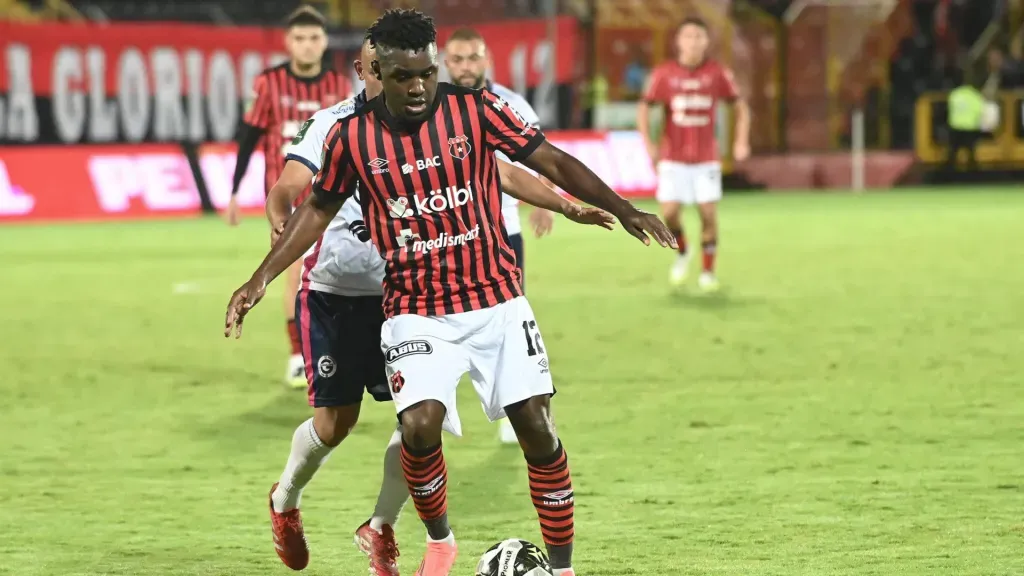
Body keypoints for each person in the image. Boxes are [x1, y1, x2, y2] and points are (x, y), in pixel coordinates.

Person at [226, 9, 675, 576]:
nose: (417, 88)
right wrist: (261, 276)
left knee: (537, 426)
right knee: (417, 425)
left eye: (426, 74)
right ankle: (439, 540)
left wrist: (621, 207)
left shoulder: (478, 110)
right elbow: (315, 207)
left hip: (496, 298)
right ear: (377, 71)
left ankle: (562, 569)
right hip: (416, 309)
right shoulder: (348, 135)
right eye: (402, 77)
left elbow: (547, 159)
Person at [225, 5, 353, 389]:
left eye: (314, 38)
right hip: (288, 196)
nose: (308, 46)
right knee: (294, 273)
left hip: (335, 195)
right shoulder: (269, 84)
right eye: (300, 39)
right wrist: (234, 191)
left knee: (340, 270)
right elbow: (249, 137)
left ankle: (337, 349)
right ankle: (298, 355)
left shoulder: (338, 85)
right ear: (288, 43)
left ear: (324, 41)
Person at [443, 26, 554, 445]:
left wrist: (542, 202)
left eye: (473, 58)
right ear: (445, 63)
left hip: (502, 233)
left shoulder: (512, 103)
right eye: (458, 59)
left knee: (506, 325)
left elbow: (536, 156)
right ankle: (434, 402)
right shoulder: (432, 106)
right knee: (445, 321)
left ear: (486, 59)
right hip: (448, 236)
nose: (466, 66)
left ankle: (514, 411)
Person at [637, 16, 750, 292]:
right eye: (688, 37)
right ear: (678, 42)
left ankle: (708, 273)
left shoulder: (717, 73)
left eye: (699, 37)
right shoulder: (664, 74)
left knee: (708, 214)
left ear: (707, 42)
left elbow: (740, 106)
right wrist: (648, 143)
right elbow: (644, 108)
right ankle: (684, 251)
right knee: (670, 214)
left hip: (706, 159)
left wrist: (740, 141)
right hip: (673, 158)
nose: (694, 42)